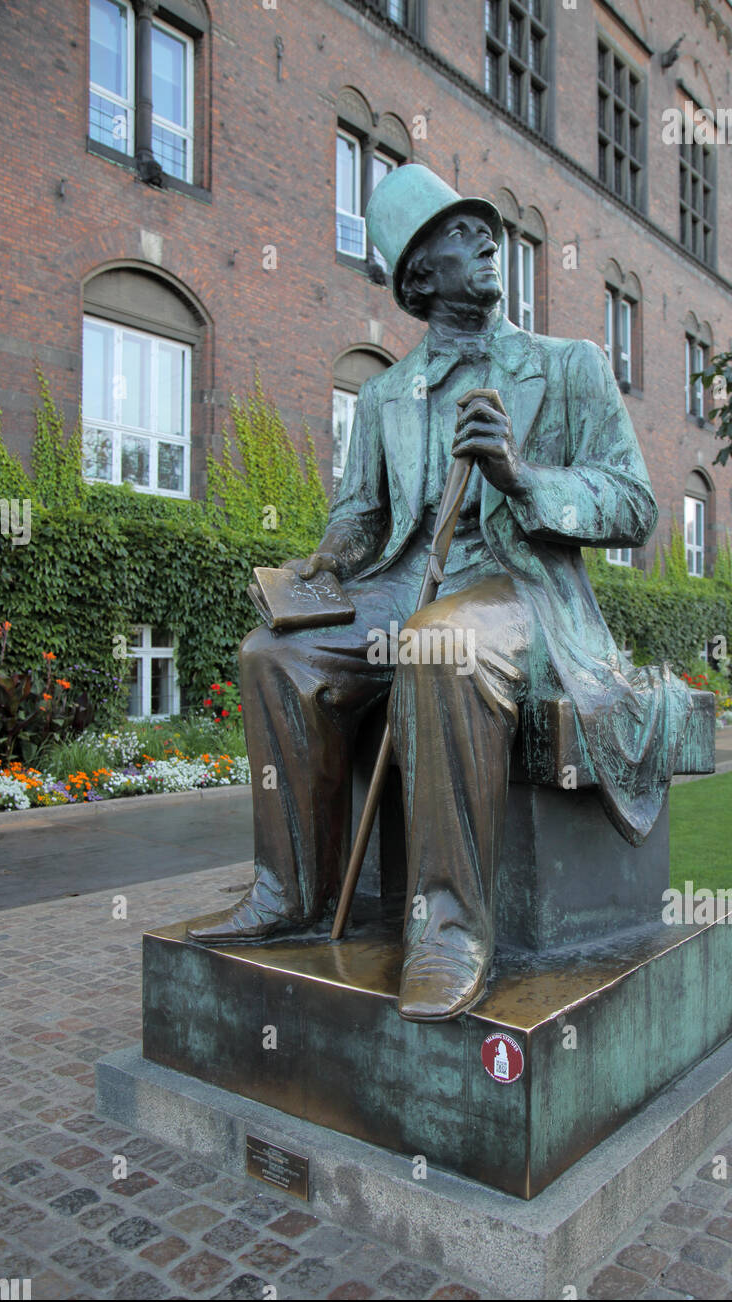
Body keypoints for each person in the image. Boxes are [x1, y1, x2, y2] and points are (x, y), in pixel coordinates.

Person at [190, 164, 691, 1023]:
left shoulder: (566, 368)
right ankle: (294, 896)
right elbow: (359, 513)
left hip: (517, 590)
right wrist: (326, 563)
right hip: (397, 586)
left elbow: (633, 504)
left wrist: (522, 475)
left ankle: (449, 928)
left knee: (442, 641)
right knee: (273, 654)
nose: (485, 240)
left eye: (483, 231)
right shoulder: (387, 394)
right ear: (419, 276)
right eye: (461, 234)